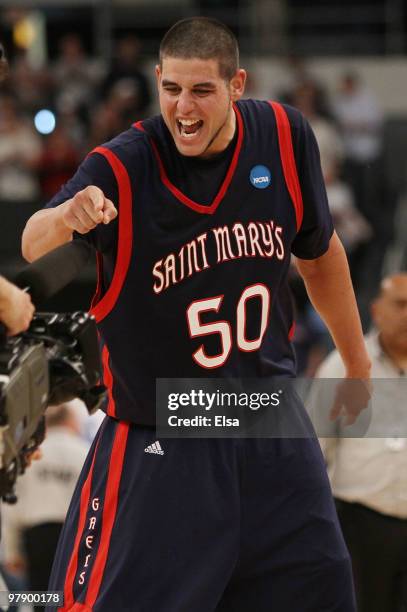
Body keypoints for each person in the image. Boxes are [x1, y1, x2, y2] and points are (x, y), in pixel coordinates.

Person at [22, 17, 371, 612]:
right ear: (157, 81)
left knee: (322, 590)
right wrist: (67, 216)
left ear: (238, 84)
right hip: (164, 430)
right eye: (171, 89)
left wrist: (358, 366)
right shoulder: (123, 163)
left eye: (202, 91)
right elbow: (33, 242)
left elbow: (320, 255)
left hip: (268, 420)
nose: (183, 107)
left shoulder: (284, 135)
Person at [314, 273, 407, 612]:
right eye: (400, 305)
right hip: (358, 523)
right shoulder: (343, 365)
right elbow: (315, 448)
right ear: (377, 310)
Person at [2, 404, 89, 610]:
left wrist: (12, 551)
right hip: (75, 536)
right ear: (71, 421)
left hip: (36, 536)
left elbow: (10, 502)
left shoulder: (31, 457)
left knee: (42, 600)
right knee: (74, 598)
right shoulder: (85, 453)